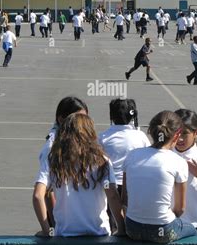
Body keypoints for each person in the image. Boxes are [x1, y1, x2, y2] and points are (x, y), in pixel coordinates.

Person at [32, 114, 125, 237]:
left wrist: (46, 230)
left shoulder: (53, 160)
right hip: (98, 234)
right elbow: (112, 196)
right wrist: (122, 228)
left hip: (65, 235)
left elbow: (38, 196)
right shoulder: (102, 161)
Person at [122, 110, 197, 243]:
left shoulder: (132, 155)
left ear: (151, 131)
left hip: (132, 228)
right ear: (176, 135)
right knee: (195, 233)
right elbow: (180, 209)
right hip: (163, 229)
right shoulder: (178, 162)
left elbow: (124, 198)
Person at [33, 96, 89, 229]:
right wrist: (51, 227)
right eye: (78, 118)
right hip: (65, 222)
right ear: (61, 119)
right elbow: (45, 191)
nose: (83, 123)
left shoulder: (74, 138)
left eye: (85, 118)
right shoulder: (52, 148)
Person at [98, 98, 150, 198]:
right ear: (132, 117)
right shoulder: (141, 136)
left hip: (109, 185)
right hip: (133, 184)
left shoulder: (102, 137)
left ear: (112, 116)